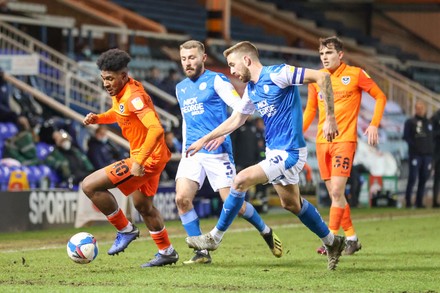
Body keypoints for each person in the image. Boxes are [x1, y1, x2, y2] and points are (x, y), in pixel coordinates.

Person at [185, 41, 345, 270]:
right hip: (274, 152)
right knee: (291, 203)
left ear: (247, 60)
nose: (231, 71)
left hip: (289, 152)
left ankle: (214, 237)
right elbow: (236, 119)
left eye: (232, 65)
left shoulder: (280, 73)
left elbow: (323, 78)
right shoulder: (251, 89)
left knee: (239, 181)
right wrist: (204, 139)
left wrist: (329, 117)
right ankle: (332, 242)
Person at [175, 40, 282, 265]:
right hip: (192, 151)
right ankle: (201, 253)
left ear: (203, 58)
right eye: (184, 59)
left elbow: (239, 108)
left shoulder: (216, 80)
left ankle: (265, 231)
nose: (188, 63)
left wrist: (222, 135)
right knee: (182, 199)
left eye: (192, 58)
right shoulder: (181, 87)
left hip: (218, 152)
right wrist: (185, 147)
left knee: (234, 204)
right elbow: (186, 121)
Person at [82, 48, 179, 267]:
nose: (106, 83)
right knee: (143, 206)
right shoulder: (122, 92)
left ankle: (125, 229)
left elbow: (156, 130)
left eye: (110, 79)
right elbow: (119, 113)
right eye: (103, 78)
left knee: (89, 186)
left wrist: (139, 161)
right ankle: (167, 251)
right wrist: (98, 118)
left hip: (148, 159)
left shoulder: (134, 97)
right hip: (153, 156)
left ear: (124, 76)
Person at [303, 36, 387, 256]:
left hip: (345, 141)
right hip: (322, 143)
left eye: (329, 53)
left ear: (340, 55)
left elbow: (380, 96)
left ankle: (331, 240)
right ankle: (352, 238)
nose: (324, 57)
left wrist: (374, 124)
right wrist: (295, 135)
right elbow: (311, 111)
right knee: (335, 196)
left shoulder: (355, 74)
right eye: (321, 54)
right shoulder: (316, 78)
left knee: (338, 191)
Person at [403, 100, 433, 208]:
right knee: (412, 178)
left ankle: (419, 202)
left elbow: (431, 139)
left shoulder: (429, 123)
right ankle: (408, 201)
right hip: (415, 155)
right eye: (418, 108)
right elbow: (406, 137)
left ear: (425, 109)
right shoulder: (410, 122)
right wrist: (415, 147)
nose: (420, 110)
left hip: (427, 155)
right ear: (415, 109)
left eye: (421, 108)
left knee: (424, 178)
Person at [432, 109, 440, 208]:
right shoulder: (435, 117)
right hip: (437, 152)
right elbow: (432, 134)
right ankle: (434, 201)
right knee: (437, 178)